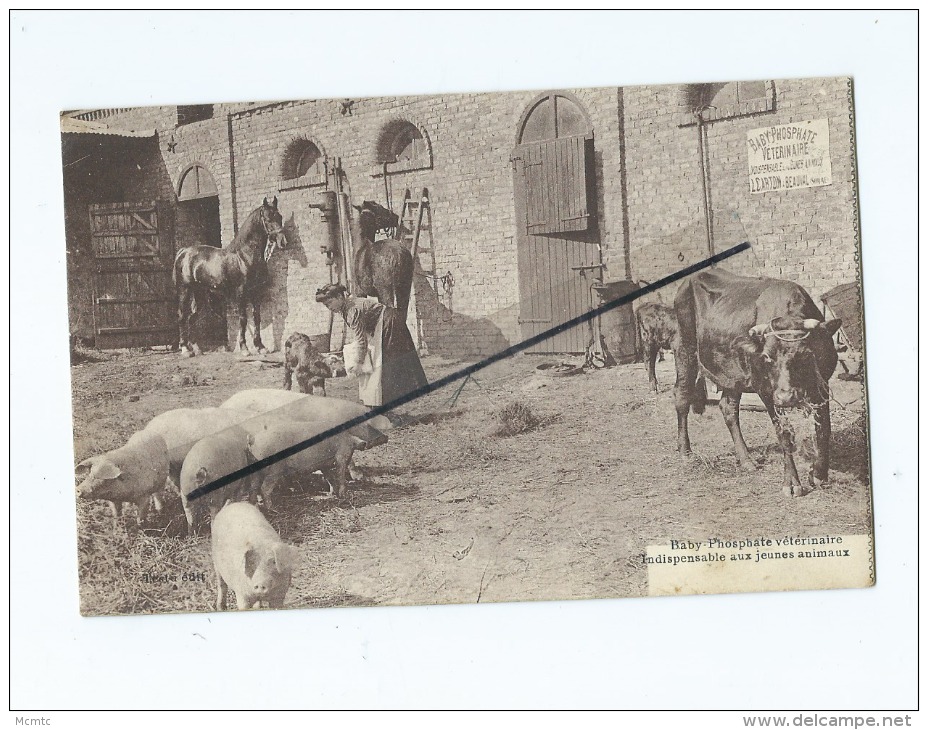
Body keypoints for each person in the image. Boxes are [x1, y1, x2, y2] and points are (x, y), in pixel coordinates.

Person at [315, 283, 428, 408]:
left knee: (385, 366)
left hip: (390, 324)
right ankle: (380, 404)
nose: (329, 307)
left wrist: (358, 363)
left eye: (330, 303)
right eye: (326, 305)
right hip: (384, 325)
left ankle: (384, 406)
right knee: (381, 366)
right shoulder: (345, 308)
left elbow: (361, 340)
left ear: (340, 297)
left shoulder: (352, 309)